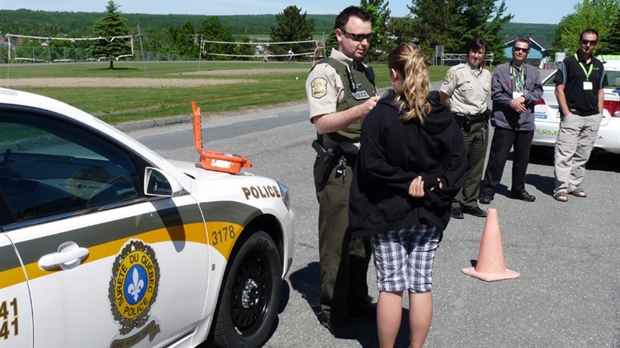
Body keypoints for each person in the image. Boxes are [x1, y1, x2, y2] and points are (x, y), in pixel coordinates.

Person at [349, 43, 466, 348]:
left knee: (391, 286)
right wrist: (433, 183)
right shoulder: (443, 116)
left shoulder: (380, 116)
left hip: (388, 211)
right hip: (430, 210)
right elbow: (458, 162)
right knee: (420, 283)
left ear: (393, 73)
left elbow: (372, 165)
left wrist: (410, 182)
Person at [305, 5, 380, 339]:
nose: (363, 43)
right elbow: (322, 122)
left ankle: (356, 298)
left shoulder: (365, 71)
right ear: (339, 35)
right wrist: (361, 109)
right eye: (356, 36)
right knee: (338, 239)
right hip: (339, 166)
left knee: (362, 239)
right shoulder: (325, 72)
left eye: (367, 37)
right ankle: (333, 310)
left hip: (366, 167)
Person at [479, 36, 543, 205]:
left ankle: (518, 189)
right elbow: (496, 93)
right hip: (505, 122)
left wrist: (524, 98)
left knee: (522, 159)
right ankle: (488, 191)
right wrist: (511, 103)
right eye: (517, 49)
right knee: (497, 159)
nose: (519, 51)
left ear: (528, 52)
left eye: (523, 49)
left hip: (526, 122)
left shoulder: (534, 72)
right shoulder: (500, 70)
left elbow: (538, 92)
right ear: (513, 50)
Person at [552, 28, 608, 202]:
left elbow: (600, 90)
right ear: (579, 42)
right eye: (585, 41)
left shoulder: (599, 65)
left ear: (596, 45)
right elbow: (559, 89)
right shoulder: (569, 62)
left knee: (583, 154)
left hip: (592, 116)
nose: (587, 45)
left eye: (591, 42)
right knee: (564, 152)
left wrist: (599, 112)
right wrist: (566, 113)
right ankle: (561, 188)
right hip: (573, 115)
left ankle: (573, 185)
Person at [440, 37, 492, 219]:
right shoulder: (456, 72)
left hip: (481, 124)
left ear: (484, 54)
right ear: (468, 52)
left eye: (479, 52)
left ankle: (470, 202)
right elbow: (444, 97)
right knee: (457, 164)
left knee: (476, 165)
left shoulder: (486, 75)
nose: (476, 55)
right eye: (473, 51)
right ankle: (454, 201)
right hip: (462, 124)